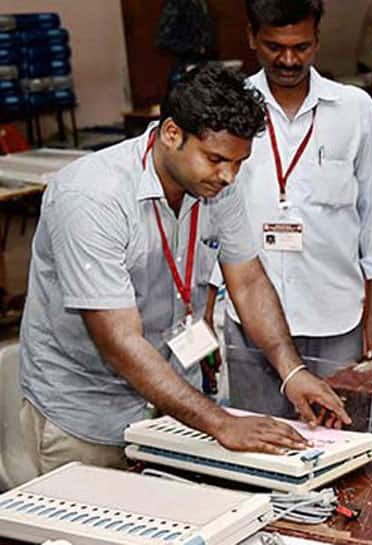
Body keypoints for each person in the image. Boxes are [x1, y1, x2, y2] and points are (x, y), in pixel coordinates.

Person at [17, 64, 350, 478]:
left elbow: (247, 281)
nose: (228, 175)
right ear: (171, 134)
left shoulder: (215, 184)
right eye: (215, 159)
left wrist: (293, 371)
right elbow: (119, 341)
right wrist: (221, 422)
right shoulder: (92, 198)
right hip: (88, 417)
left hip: (173, 409)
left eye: (239, 162)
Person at [204, 0, 372, 419]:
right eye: (274, 46)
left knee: (340, 443)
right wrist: (207, 306)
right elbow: (208, 215)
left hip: (336, 316)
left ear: (317, 40)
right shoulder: (229, 112)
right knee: (258, 443)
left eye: (301, 47)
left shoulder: (354, 109)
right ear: (251, 38)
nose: (288, 59)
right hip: (249, 320)